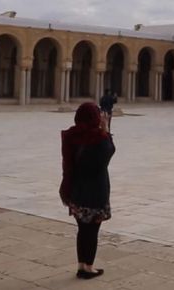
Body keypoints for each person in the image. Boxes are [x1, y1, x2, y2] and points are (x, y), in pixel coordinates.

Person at [59, 102, 116, 280]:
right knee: (92, 232)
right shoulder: (97, 139)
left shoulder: (72, 136)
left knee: (82, 230)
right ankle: (88, 268)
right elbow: (109, 152)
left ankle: (81, 265)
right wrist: (106, 130)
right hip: (95, 194)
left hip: (76, 192)